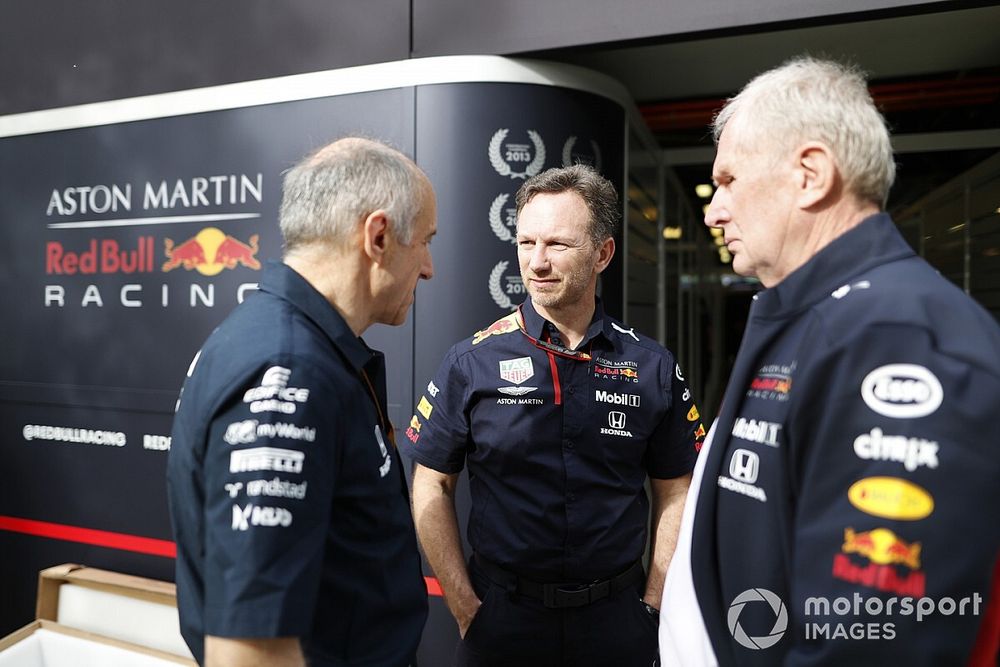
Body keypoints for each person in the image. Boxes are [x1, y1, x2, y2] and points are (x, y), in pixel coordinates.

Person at [659, 56, 1000, 666]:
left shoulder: (899, 339)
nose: (713, 210)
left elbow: (878, 640)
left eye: (730, 181)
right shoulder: (814, 317)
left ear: (811, 175)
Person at [401, 164, 703, 666]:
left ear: (602, 253)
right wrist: (463, 602)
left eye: (558, 245)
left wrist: (653, 602)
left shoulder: (651, 365)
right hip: (501, 621)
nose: (537, 262)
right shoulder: (470, 361)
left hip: (617, 623)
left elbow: (676, 488)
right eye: (526, 243)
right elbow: (431, 482)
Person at [166, 137, 436, 666]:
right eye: (424, 241)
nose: (428, 267)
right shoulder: (290, 370)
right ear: (378, 236)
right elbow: (250, 652)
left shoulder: (284, 344)